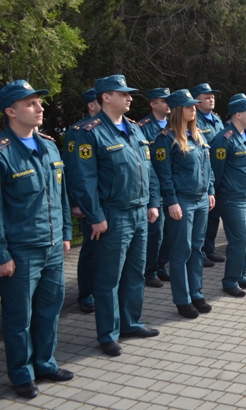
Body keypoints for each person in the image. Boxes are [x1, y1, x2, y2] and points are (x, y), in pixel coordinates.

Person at [0, 81, 74, 399]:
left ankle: (45, 363)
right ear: (11, 111)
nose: (40, 108)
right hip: (20, 252)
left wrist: (64, 235)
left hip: (51, 247)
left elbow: (60, 195)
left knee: (50, 309)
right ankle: (21, 374)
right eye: (31, 103)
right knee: (19, 317)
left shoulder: (49, 145)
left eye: (39, 102)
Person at [66, 75, 161, 357]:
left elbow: (149, 169)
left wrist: (153, 202)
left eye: (130, 94)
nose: (130, 98)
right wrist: (95, 216)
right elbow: (84, 179)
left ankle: (130, 322)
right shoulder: (89, 131)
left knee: (135, 272)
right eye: (123, 94)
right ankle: (107, 333)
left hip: (140, 211)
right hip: (113, 213)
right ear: (106, 97)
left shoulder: (134, 129)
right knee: (109, 278)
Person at [151, 89, 216, 318]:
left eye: (193, 106)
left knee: (197, 250)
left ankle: (196, 294)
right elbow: (164, 174)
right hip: (182, 202)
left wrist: (210, 190)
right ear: (179, 110)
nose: (193, 109)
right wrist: (171, 201)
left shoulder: (198, 135)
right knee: (181, 252)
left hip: (200, 200)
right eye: (189, 107)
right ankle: (182, 299)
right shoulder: (165, 139)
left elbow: (207, 167)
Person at [210, 95, 246, 297]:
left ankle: (242, 275)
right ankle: (230, 281)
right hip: (232, 198)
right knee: (239, 239)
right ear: (238, 114)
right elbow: (216, 171)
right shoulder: (223, 140)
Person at [63, 88, 100, 313]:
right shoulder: (77, 132)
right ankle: (86, 294)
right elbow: (72, 169)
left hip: (108, 203)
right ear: (91, 105)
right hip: (88, 204)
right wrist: (76, 202)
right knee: (90, 251)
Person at [136, 87, 172, 288]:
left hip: (171, 185)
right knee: (155, 232)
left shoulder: (175, 125)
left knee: (168, 231)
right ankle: (149, 271)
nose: (168, 104)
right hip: (153, 185)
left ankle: (161, 265)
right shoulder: (143, 127)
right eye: (163, 100)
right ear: (153, 104)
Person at [190, 83, 225, 266]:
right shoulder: (194, 121)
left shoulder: (217, 120)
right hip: (203, 174)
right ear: (196, 102)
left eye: (212, 96)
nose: (211, 99)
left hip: (218, 174)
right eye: (206, 97)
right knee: (203, 218)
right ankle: (200, 252)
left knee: (214, 216)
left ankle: (209, 249)